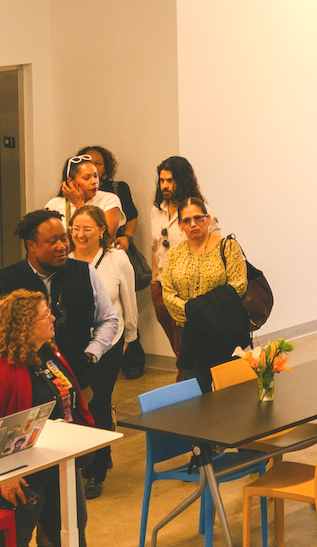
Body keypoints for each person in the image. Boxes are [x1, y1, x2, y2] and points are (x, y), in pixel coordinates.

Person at [0, 290, 125, 547]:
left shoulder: (47, 356)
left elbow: (68, 401)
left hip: (56, 463)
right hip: (18, 473)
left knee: (71, 528)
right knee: (11, 541)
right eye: (44, 315)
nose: (52, 318)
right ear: (24, 325)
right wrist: (3, 476)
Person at [0, 209, 122, 385]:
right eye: (52, 241)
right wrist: (7, 365)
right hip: (25, 385)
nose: (62, 246)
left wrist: (92, 352)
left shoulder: (85, 273)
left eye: (64, 238)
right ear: (31, 245)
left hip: (77, 380)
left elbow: (108, 319)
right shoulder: (3, 281)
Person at [68, 204, 136, 497]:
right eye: (75, 228)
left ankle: (94, 472)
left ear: (101, 231)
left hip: (109, 341)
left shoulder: (116, 259)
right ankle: (96, 454)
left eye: (87, 229)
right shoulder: (65, 261)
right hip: (74, 345)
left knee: (99, 401)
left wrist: (130, 336)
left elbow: (128, 300)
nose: (80, 234)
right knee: (74, 404)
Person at [160, 194, 249, 382]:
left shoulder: (227, 247)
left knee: (230, 391)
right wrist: (192, 313)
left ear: (208, 219)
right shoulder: (175, 254)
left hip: (223, 330)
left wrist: (198, 311)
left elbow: (238, 285)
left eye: (198, 218)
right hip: (190, 333)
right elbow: (167, 293)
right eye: (186, 220)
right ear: (180, 226)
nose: (193, 224)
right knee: (197, 393)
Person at [149, 156, 218, 356]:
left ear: (183, 180)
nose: (165, 186)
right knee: (177, 348)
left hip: (187, 291)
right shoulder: (157, 210)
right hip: (161, 288)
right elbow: (154, 246)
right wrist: (154, 280)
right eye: (162, 180)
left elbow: (213, 248)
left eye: (170, 181)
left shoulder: (200, 212)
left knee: (186, 349)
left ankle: (188, 384)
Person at [78, 143, 140, 252]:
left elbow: (131, 216)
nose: (93, 167)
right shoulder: (71, 193)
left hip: (110, 248)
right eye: (88, 163)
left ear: (105, 168)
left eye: (98, 163)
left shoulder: (117, 189)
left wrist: (127, 236)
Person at [47, 153, 123, 240]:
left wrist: (80, 205)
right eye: (87, 178)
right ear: (71, 181)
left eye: (95, 176)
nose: (94, 181)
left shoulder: (109, 200)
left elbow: (106, 238)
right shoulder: (55, 204)